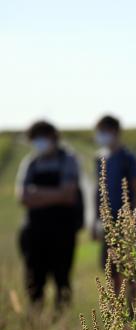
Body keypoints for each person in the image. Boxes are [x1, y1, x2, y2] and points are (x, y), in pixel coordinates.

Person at [16, 121, 82, 308]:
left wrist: (36, 193)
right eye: (35, 139)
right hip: (35, 234)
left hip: (62, 233)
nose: (38, 143)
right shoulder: (31, 162)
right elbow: (22, 196)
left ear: (53, 137)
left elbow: (69, 195)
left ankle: (59, 323)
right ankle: (37, 322)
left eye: (41, 138)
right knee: (34, 281)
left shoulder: (68, 160)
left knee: (62, 280)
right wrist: (55, 194)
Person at [92, 115, 136, 303]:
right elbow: (98, 190)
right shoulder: (99, 158)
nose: (101, 135)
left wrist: (135, 217)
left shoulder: (127, 158)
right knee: (109, 265)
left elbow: (134, 186)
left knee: (129, 265)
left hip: (125, 218)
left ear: (115, 132)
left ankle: (132, 305)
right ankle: (116, 306)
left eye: (105, 131)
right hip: (107, 218)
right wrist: (95, 220)